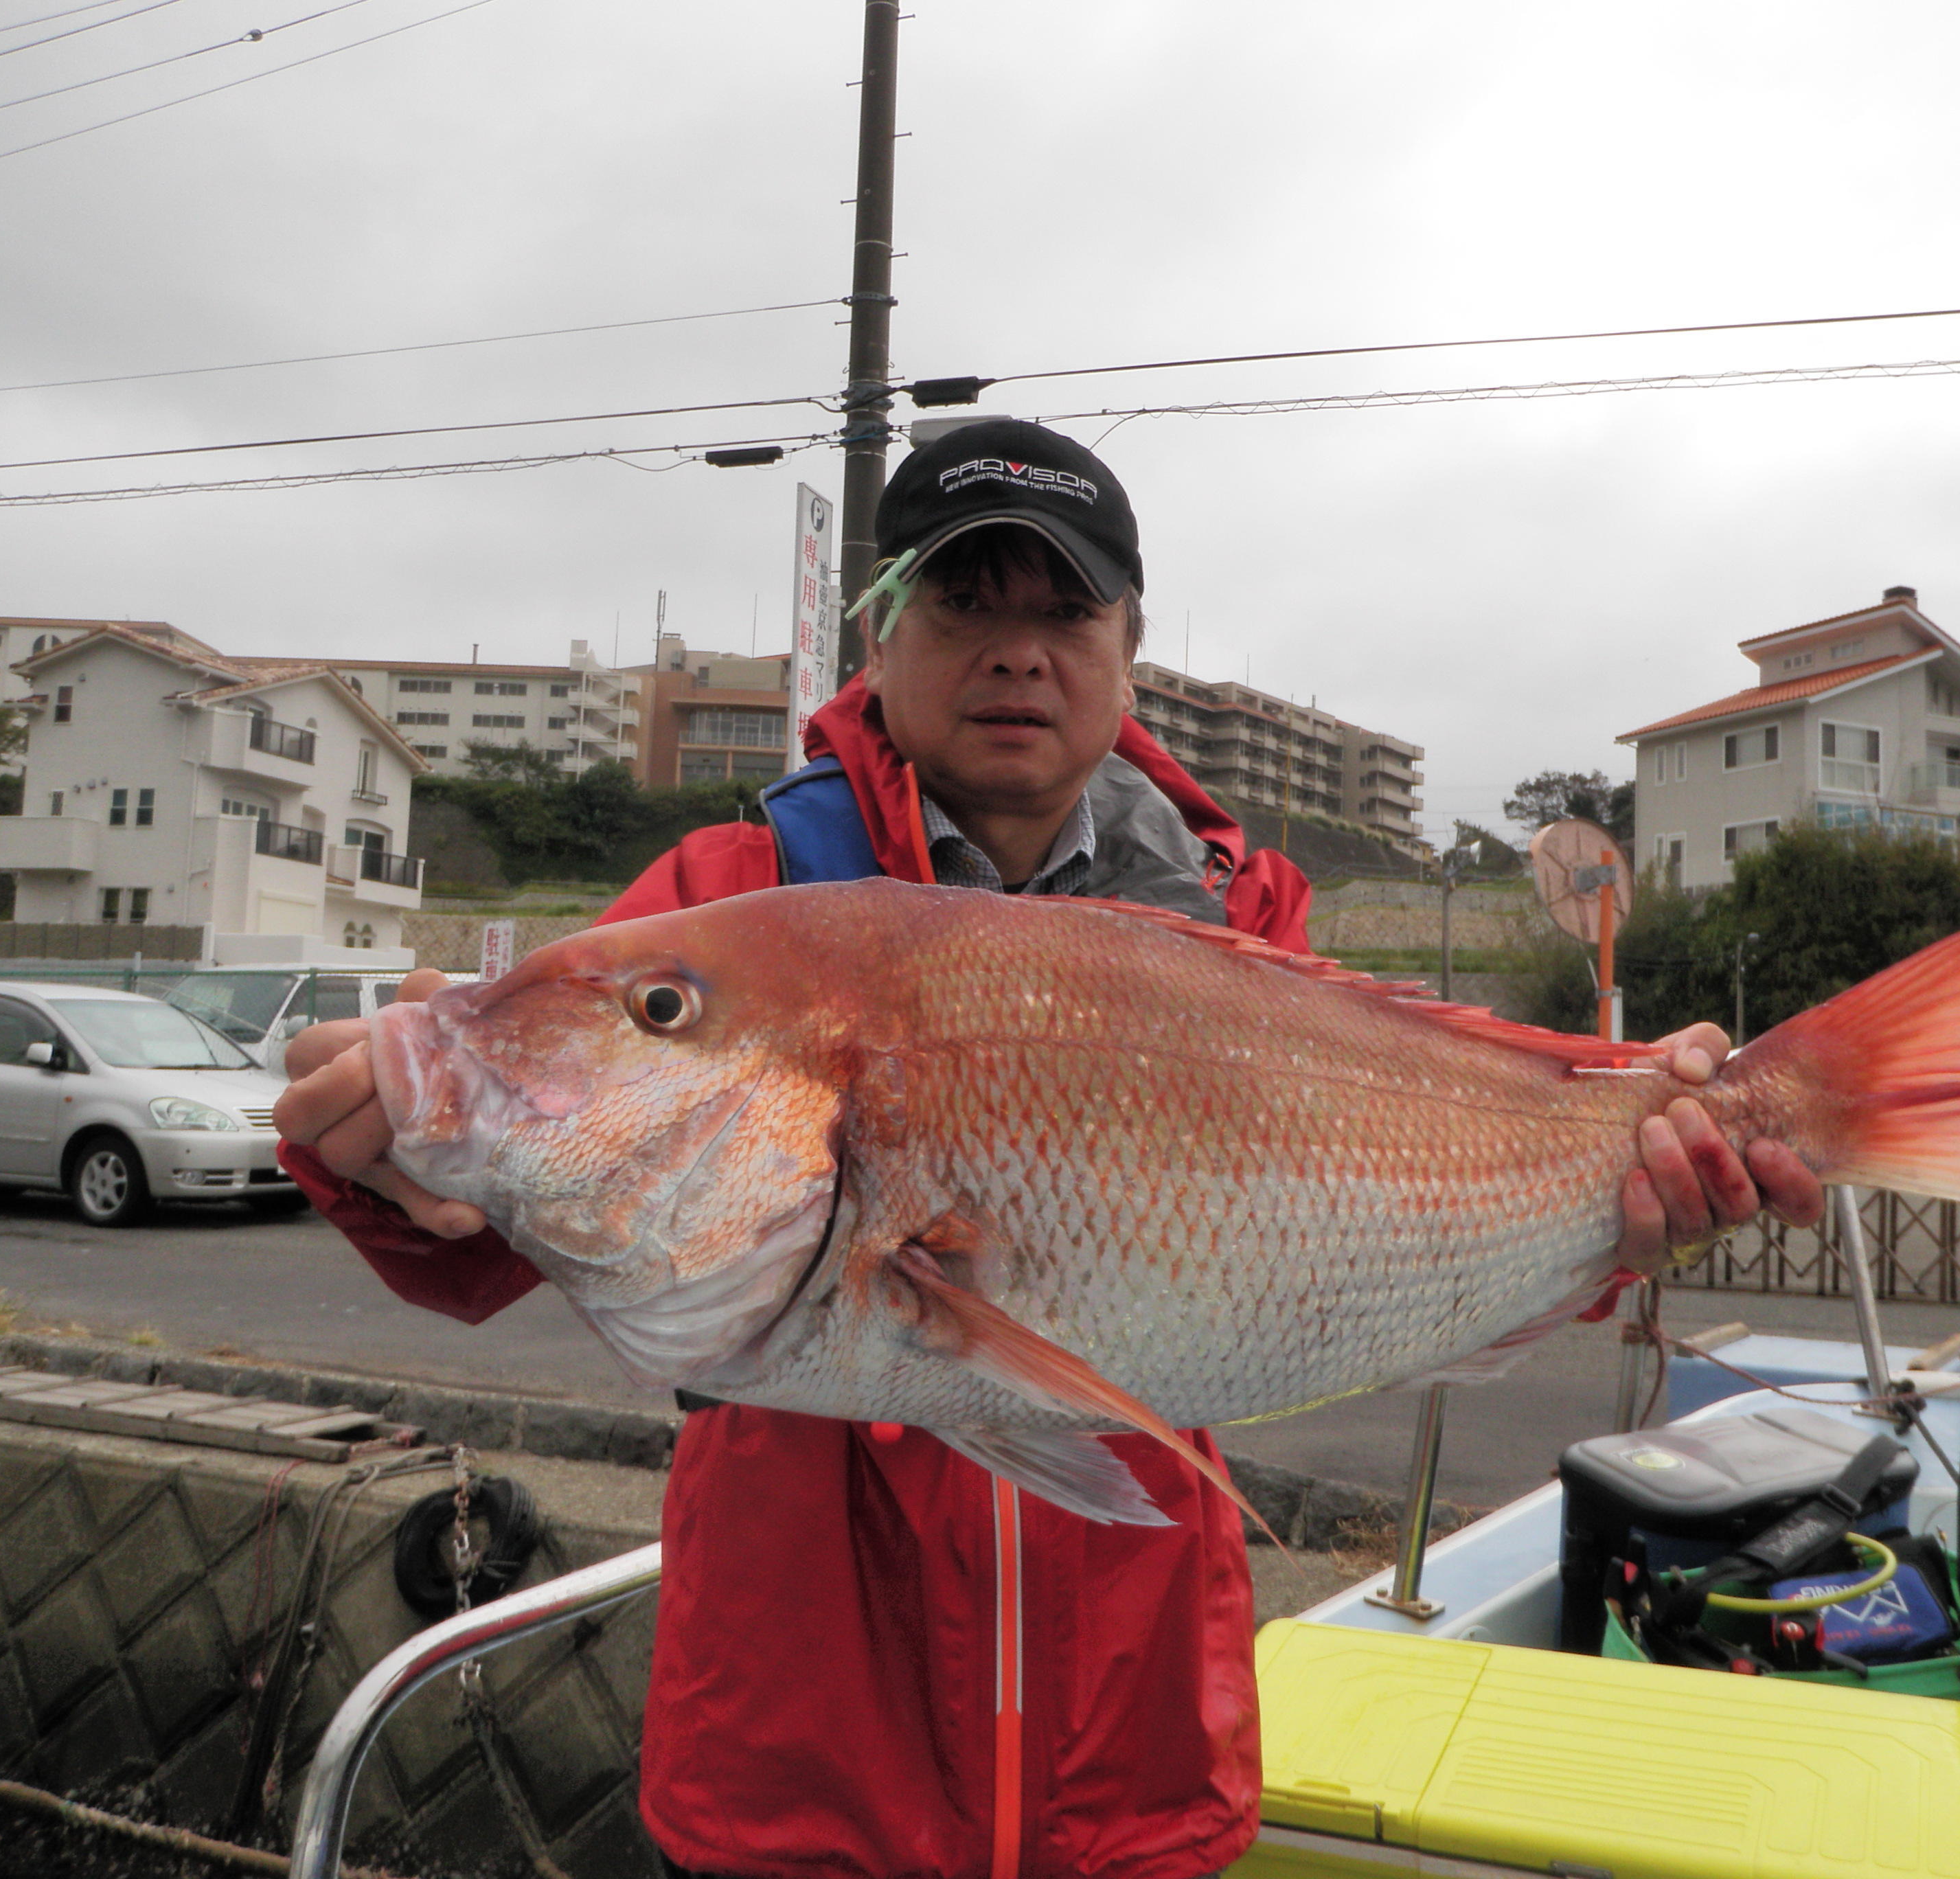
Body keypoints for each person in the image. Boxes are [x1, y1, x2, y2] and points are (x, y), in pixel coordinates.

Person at [274, 418, 1822, 1879]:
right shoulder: (730, 899)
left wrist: (1624, 1199)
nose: (1018, 648)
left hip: (1136, 1763)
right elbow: (497, 1245)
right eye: (963, 600)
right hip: (804, 1779)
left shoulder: (1248, 920)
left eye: (1067, 610)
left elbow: (1415, 1216)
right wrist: (391, 1163)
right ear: (884, 640)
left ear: (1127, 655)